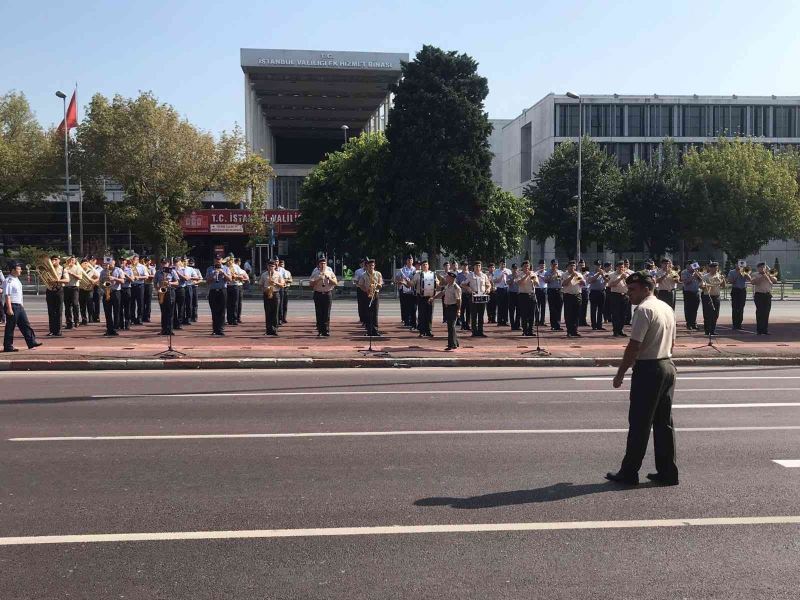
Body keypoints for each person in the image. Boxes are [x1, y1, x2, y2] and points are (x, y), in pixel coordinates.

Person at [606, 271, 678, 486]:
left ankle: (629, 473)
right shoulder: (666, 307)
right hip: (667, 365)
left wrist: (620, 373)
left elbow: (634, 346)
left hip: (649, 368)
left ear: (647, 288)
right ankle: (667, 472)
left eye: (632, 289)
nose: (629, 294)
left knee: (639, 423)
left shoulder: (644, 310)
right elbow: (673, 342)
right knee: (664, 423)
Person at [3, 262, 42, 352]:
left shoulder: (16, 279)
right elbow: (7, 295)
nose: (20, 270)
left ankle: (31, 342)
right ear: (13, 270)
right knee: (10, 327)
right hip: (12, 305)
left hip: (19, 306)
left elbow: (19, 294)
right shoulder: (8, 280)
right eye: (18, 268)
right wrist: (9, 308)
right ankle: (8, 346)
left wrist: (21, 305)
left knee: (25, 325)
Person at [431, 271, 461, 350]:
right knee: (450, 326)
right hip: (447, 307)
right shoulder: (448, 285)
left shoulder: (456, 287)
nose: (446, 278)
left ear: (451, 278)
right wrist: (433, 298)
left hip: (453, 307)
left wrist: (458, 310)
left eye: (447, 277)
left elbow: (458, 300)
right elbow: (442, 293)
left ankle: (451, 344)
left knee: (451, 326)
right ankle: (455, 342)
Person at [462, 261, 492, 337]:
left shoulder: (484, 275)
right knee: (474, 314)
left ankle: (480, 331)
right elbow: (463, 284)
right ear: (474, 267)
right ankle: (474, 332)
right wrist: (469, 289)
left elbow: (488, 285)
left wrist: (488, 289)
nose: (478, 267)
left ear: (481, 267)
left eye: (479, 266)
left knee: (481, 315)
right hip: (474, 296)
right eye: (476, 266)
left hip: (482, 296)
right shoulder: (470, 275)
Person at [310, 257, 338, 337]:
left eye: (324, 263)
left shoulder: (330, 272)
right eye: (321, 263)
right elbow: (311, 284)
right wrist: (318, 279)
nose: (323, 265)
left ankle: (326, 330)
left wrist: (329, 278)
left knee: (326, 313)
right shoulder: (315, 273)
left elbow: (335, 283)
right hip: (318, 293)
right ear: (319, 265)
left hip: (327, 293)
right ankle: (320, 330)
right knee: (319, 313)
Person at [206, 255, 232, 336]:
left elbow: (230, 279)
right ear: (214, 260)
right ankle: (215, 329)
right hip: (213, 291)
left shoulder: (226, 268)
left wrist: (223, 273)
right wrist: (214, 276)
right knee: (214, 311)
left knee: (222, 310)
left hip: (222, 291)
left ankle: (220, 329)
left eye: (219, 259)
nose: (218, 261)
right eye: (216, 259)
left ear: (221, 260)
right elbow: (207, 281)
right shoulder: (210, 269)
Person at [259, 261, 285, 336]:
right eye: (269, 266)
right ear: (267, 266)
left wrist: (275, 283)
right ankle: (268, 330)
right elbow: (260, 285)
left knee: (275, 312)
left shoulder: (278, 274)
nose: (271, 268)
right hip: (267, 294)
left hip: (275, 293)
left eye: (272, 266)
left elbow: (283, 285)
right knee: (268, 312)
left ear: (275, 267)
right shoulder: (264, 274)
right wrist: (265, 289)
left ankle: (274, 329)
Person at [358, 258, 383, 337]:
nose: (371, 267)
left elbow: (380, 285)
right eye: (369, 266)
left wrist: (376, 284)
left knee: (375, 313)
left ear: (374, 266)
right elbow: (360, 285)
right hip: (367, 294)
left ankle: (375, 330)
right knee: (367, 313)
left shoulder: (378, 274)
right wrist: (366, 290)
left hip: (375, 294)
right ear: (367, 266)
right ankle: (369, 330)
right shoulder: (364, 275)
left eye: (372, 265)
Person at [411, 259, 436, 337]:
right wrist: (406, 282)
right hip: (421, 297)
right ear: (421, 266)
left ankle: (429, 330)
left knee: (429, 314)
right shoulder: (418, 274)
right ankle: (422, 331)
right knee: (422, 314)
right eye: (423, 265)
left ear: (428, 266)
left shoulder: (433, 274)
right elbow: (412, 283)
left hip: (430, 297)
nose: (425, 266)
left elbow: (437, 283)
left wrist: (438, 283)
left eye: (426, 264)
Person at [751, 263, 777, 335]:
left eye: (764, 267)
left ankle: (765, 330)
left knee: (766, 312)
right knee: (760, 312)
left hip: (767, 295)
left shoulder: (769, 274)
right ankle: (759, 330)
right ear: (758, 268)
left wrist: (768, 275)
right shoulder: (755, 274)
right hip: (759, 295)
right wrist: (762, 276)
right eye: (761, 267)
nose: (763, 269)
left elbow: (775, 281)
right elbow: (753, 282)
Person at [155, 259, 179, 336]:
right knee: (163, 311)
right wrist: (158, 289)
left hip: (170, 291)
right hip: (162, 292)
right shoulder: (158, 272)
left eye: (165, 263)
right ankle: (163, 329)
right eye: (163, 263)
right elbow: (155, 282)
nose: (164, 264)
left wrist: (169, 283)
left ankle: (170, 329)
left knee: (170, 312)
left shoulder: (172, 271)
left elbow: (177, 282)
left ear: (168, 264)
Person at [100, 258, 123, 336]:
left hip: (116, 292)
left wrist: (114, 278)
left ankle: (115, 328)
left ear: (114, 262)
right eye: (108, 264)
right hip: (106, 292)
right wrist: (104, 288)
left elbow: (122, 281)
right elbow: (100, 282)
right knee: (107, 312)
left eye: (110, 263)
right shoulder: (103, 272)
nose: (109, 265)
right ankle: (109, 329)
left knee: (116, 311)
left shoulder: (118, 270)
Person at [700, 262, 725, 336]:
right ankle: (707, 331)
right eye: (714, 268)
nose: (716, 269)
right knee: (707, 314)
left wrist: (723, 279)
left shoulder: (719, 275)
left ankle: (712, 330)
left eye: (717, 268)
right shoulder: (705, 276)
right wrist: (705, 285)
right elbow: (701, 286)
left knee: (716, 314)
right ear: (711, 268)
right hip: (708, 296)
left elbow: (723, 286)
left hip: (716, 296)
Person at [45, 255, 67, 337]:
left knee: (58, 311)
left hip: (58, 290)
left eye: (55, 259)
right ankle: (52, 330)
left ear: (59, 260)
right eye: (52, 259)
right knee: (50, 311)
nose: (54, 261)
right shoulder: (48, 269)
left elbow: (67, 280)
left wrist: (58, 280)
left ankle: (58, 330)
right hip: (50, 290)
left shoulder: (63, 269)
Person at [561, 260, 584, 338]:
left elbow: (582, 283)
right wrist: (571, 276)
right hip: (568, 296)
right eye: (571, 266)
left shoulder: (578, 274)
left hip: (577, 295)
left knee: (576, 314)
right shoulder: (564, 274)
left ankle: (575, 330)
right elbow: (564, 284)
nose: (572, 267)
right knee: (568, 314)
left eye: (574, 266)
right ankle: (569, 331)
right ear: (567, 267)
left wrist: (579, 279)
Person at [515, 260, 538, 337]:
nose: (526, 268)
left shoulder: (533, 274)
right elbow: (519, 283)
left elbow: (537, 284)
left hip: (531, 295)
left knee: (531, 314)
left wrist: (533, 280)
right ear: (522, 267)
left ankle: (531, 330)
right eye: (525, 266)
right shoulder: (519, 274)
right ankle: (525, 330)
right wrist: (526, 276)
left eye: (528, 266)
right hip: (523, 295)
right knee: (524, 314)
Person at [607, 260, 629, 337]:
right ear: (616, 267)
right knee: (616, 314)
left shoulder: (626, 275)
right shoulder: (612, 274)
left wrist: (625, 278)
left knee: (623, 314)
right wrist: (620, 278)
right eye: (619, 267)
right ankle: (615, 330)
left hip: (625, 295)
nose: (621, 269)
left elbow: (629, 285)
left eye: (622, 267)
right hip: (615, 295)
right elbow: (610, 285)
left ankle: (621, 330)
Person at [727, 262, 751, 330]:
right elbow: (730, 281)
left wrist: (744, 273)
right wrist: (738, 273)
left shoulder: (744, 271)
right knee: (735, 308)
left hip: (742, 290)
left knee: (741, 308)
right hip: (735, 290)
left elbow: (750, 279)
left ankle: (739, 324)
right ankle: (735, 324)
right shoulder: (732, 272)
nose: (740, 266)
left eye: (741, 265)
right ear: (736, 265)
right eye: (739, 265)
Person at [395, 255, 417, 329]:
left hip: (412, 290)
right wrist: (401, 280)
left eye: (411, 260)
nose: (410, 261)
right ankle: (406, 321)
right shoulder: (402, 270)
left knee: (413, 307)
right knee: (405, 306)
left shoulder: (415, 269)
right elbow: (396, 278)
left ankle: (413, 322)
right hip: (404, 290)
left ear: (412, 261)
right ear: (406, 261)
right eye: (408, 260)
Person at [681, 261, 702, 330]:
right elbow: (685, 282)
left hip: (696, 292)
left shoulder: (697, 272)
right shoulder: (684, 272)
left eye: (695, 266)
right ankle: (689, 323)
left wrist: (698, 275)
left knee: (695, 309)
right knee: (688, 309)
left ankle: (694, 323)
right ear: (688, 266)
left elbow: (702, 281)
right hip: (688, 292)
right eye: (692, 266)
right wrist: (693, 277)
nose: (694, 267)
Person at [587, 260, 607, 331]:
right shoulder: (591, 273)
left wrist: (603, 275)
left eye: (599, 265)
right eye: (597, 265)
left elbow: (607, 280)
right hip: (594, 292)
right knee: (593, 309)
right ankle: (594, 325)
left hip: (602, 292)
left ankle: (599, 325)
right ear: (594, 266)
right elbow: (591, 280)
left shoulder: (604, 273)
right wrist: (598, 274)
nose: (598, 266)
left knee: (601, 310)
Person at [544, 259, 563, 331]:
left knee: (559, 308)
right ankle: (553, 325)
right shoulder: (548, 272)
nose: (555, 266)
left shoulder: (560, 272)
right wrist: (552, 276)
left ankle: (558, 325)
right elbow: (546, 281)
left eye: (556, 264)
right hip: (551, 290)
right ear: (551, 265)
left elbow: (563, 280)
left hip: (559, 290)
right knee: (552, 308)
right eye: (553, 264)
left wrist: (559, 276)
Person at [63, 256, 81, 330]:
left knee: (75, 304)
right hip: (66, 287)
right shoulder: (65, 268)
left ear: (75, 261)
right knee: (67, 306)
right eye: (69, 260)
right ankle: (69, 323)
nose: (71, 261)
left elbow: (80, 277)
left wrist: (71, 273)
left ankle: (76, 321)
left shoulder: (77, 268)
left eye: (72, 260)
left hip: (74, 287)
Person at [493, 260, 511, 326]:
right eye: (502, 264)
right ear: (500, 264)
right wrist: (501, 276)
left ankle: (505, 320)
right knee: (500, 305)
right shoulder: (496, 271)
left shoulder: (508, 271)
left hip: (506, 288)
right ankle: (499, 321)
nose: (503, 265)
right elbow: (494, 280)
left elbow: (511, 280)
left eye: (504, 264)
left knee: (506, 305)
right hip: (499, 289)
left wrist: (507, 276)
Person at [225, 256, 240, 327]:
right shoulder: (225, 267)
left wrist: (235, 276)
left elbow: (242, 276)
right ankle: (229, 319)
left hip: (234, 285)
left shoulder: (236, 267)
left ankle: (234, 319)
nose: (230, 261)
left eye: (232, 259)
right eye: (229, 259)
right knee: (228, 303)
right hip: (227, 286)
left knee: (235, 303)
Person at [456, 263, 472, 331]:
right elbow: (457, 284)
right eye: (464, 265)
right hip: (462, 293)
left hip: (470, 293)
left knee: (469, 310)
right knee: (462, 310)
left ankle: (468, 324)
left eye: (466, 265)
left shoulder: (471, 274)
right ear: (461, 266)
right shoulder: (459, 275)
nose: (465, 267)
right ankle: (463, 323)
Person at [119, 258, 133, 330]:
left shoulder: (129, 270)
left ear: (125, 262)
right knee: (119, 308)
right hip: (119, 290)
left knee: (127, 308)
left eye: (123, 261)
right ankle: (120, 324)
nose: (121, 262)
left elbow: (132, 279)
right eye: (120, 260)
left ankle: (127, 323)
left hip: (127, 289)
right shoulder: (117, 269)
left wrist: (126, 275)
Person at [234, 257, 248, 323]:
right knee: (234, 303)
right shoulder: (233, 269)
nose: (237, 263)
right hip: (234, 286)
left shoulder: (242, 270)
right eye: (236, 262)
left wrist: (241, 279)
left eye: (238, 262)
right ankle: (234, 317)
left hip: (240, 286)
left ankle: (238, 317)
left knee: (239, 303)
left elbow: (247, 278)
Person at [353, 259, 366, 326]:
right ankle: (362, 318)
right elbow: (355, 280)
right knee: (361, 305)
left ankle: (367, 320)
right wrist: (361, 284)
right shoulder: (358, 271)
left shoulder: (372, 271)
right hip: (360, 289)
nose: (364, 264)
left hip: (368, 289)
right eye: (363, 263)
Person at [278, 259, 292, 324]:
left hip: (286, 288)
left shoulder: (287, 272)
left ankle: (284, 318)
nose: (281, 265)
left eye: (282, 264)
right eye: (280, 264)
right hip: (280, 288)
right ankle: (280, 318)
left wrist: (285, 280)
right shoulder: (278, 271)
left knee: (285, 304)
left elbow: (290, 280)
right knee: (280, 304)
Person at [535, 259, 547, 327]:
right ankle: (536, 320)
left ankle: (542, 321)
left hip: (544, 289)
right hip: (537, 290)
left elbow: (546, 280)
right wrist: (537, 275)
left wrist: (541, 276)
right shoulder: (536, 273)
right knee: (537, 306)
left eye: (543, 265)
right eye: (541, 265)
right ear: (539, 266)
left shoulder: (546, 272)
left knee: (543, 306)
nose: (542, 266)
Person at [508, 263, 520, 331]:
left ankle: (517, 325)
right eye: (513, 268)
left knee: (519, 310)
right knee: (511, 310)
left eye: (516, 268)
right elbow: (508, 283)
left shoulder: (519, 276)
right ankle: (512, 325)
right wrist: (513, 278)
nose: (515, 270)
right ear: (511, 269)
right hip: (511, 293)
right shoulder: (509, 276)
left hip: (518, 294)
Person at [577, 259, 590, 327]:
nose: (582, 266)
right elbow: (578, 282)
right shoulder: (577, 273)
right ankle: (579, 320)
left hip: (585, 290)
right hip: (579, 290)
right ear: (578, 266)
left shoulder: (587, 273)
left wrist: (583, 279)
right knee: (579, 306)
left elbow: (588, 282)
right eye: (580, 265)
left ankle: (584, 321)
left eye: (583, 265)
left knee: (585, 306)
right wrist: (582, 279)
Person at [143, 258, 155, 323]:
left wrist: (148, 276)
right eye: (146, 261)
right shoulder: (143, 267)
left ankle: (147, 317)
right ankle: (142, 316)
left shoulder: (152, 268)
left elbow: (154, 275)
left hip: (149, 284)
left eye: (148, 261)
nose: (147, 262)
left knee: (148, 302)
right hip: (143, 284)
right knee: (142, 302)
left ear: (150, 261)